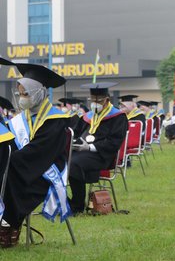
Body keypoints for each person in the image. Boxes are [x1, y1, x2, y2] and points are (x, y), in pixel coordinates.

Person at [0, 58, 70, 248]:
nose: (22, 97)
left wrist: (8, 160)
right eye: (20, 93)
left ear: (40, 93)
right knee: (5, 171)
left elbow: (40, 152)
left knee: (8, 175)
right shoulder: (19, 119)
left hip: (44, 171)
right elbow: (11, 143)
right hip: (23, 166)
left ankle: (8, 223)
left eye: (26, 94)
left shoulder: (55, 120)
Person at [68, 82, 128, 214]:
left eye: (99, 100)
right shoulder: (87, 116)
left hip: (102, 155)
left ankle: (77, 206)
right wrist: (73, 142)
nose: (95, 103)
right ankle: (63, 203)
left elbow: (114, 142)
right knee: (60, 160)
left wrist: (89, 147)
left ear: (107, 99)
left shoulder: (118, 116)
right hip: (81, 152)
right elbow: (75, 133)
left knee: (73, 164)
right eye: (92, 99)